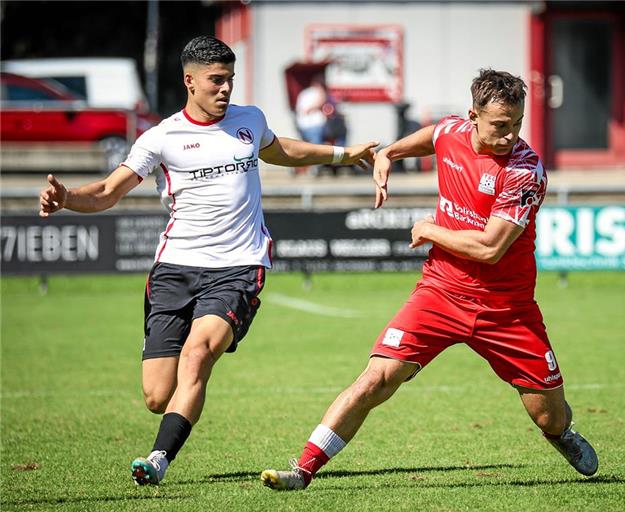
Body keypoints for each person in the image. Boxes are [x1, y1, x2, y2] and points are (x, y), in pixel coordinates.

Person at [38, 35, 377, 486]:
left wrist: (343, 153)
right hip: (174, 270)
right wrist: (67, 199)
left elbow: (283, 151)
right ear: (190, 81)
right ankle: (167, 427)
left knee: (198, 356)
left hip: (238, 266)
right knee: (157, 395)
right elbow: (107, 190)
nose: (225, 89)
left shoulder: (249, 120)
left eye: (230, 80)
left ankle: (158, 459)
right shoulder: (162, 137)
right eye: (216, 80)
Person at [260, 69, 598, 491]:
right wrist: (388, 155)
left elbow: (490, 249)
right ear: (472, 116)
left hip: (506, 309)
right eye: (499, 125)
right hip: (440, 293)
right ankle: (304, 469)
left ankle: (560, 433)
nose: (510, 135)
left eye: (517, 124)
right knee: (375, 379)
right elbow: (433, 135)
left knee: (549, 415)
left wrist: (430, 229)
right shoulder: (452, 131)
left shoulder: (524, 171)